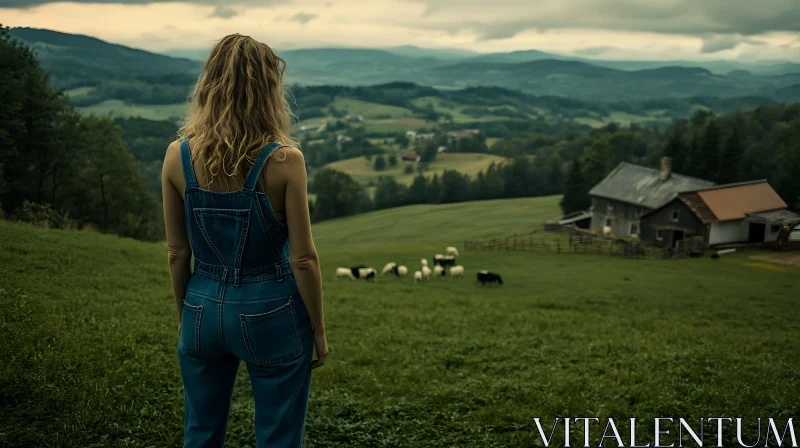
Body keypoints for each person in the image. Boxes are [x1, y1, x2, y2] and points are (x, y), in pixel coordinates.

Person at [161, 34, 327, 447]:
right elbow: (304, 259)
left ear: (209, 85)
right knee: (278, 436)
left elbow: (177, 252)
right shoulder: (285, 160)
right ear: (270, 89)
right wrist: (319, 330)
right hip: (271, 310)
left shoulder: (175, 156)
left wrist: (186, 314)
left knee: (200, 431)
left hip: (200, 307)